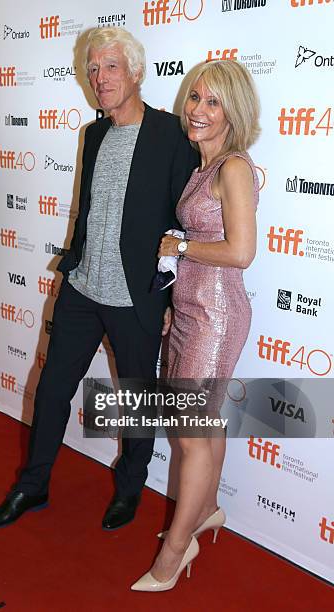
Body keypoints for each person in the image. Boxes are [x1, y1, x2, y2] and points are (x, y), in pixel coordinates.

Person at [0, 27, 198, 531]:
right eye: (94, 69)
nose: (100, 78)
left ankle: (129, 489)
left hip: (136, 296)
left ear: (137, 72)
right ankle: (32, 486)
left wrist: (168, 297)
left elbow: (181, 221)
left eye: (111, 66)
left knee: (136, 399)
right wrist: (74, 263)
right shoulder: (94, 133)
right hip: (83, 289)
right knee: (53, 389)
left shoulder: (169, 136)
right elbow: (92, 210)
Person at [131, 59, 260, 591]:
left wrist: (181, 245)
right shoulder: (198, 166)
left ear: (233, 112)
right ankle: (205, 509)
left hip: (217, 315)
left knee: (189, 435)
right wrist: (171, 294)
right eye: (195, 98)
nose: (198, 110)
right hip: (187, 312)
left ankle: (175, 551)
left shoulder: (233, 167)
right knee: (201, 430)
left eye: (212, 102)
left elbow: (242, 252)